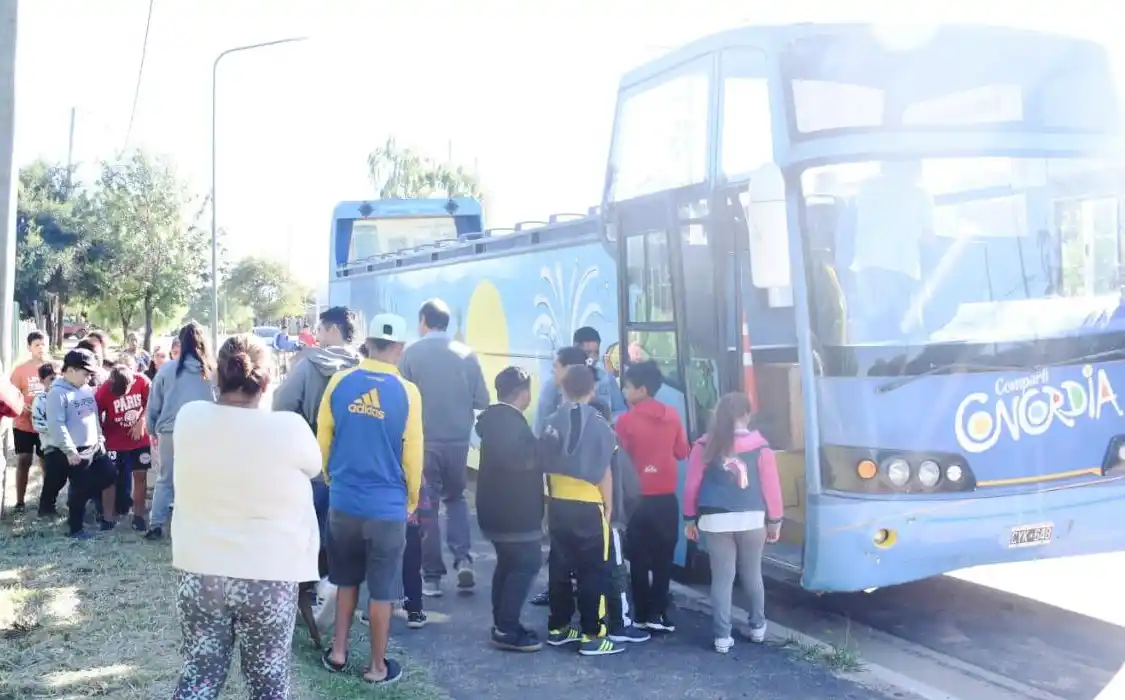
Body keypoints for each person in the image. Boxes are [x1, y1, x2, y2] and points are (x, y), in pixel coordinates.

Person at [169, 334, 321, 698]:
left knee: (199, 675)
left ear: (215, 377)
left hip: (200, 570)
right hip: (269, 574)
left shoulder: (190, 417)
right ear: (267, 382)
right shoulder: (290, 428)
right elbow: (314, 468)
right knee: (267, 683)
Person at [317, 313, 422, 685]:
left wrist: (333, 480)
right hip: (387, 507)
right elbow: (413, 454)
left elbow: (323, 440)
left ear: (368, 344)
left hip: (344, 501)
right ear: (400, 348)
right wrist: (410, 500)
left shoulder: (340, 382)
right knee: (383, 590)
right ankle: (377, 667)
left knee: (346, 580)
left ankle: (339, 653)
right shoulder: (408, 392)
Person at [272, 305, 361, 632]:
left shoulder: (309, 364)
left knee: (309, 524)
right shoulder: (362, 367)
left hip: (312, 454)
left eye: (321, 330)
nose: (318, 336)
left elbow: (282, 404)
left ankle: (305, 590)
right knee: (341, 526)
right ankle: (336, 588)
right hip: (351, 458)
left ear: (333, 330)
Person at [399, 298, 489, 596]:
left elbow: (401, 399)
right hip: (458, 441)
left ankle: (433, 577)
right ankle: (463, 559)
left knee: (428, 508)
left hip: (423, 442)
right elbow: (482, 400)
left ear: (424, 320)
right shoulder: (468, 355)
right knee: (456, 500)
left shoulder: (411, 353)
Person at [682, 392, 784, 654]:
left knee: (722, 579)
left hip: (715, 520)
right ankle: (758, 628)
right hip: (752, 518)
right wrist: (775, 521)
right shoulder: (761, 447)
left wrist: (689, 518)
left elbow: (692, 485)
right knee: (752, 575)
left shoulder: (705, 445)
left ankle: (722, 637)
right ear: (747, 415)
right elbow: (772, 488)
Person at [542, 365, 622, 656]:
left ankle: (558, 627)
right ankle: (593, 634)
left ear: (562, 388)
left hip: (558, 502)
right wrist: (609, 504)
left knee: (560, 567)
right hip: (589, 504)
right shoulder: (601, 424)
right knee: (593, 571)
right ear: (593, 390)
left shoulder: (551, 420)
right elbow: (605, 472)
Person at [616, 360, 690, 632]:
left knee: (637, 558)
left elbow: (620, 459)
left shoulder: (625, 421)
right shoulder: (672, 416)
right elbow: (683, 452)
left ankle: (642, 612)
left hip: (636, 500)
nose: (624, 390)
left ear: (642, 389)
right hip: (665, 499)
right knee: (663, 558)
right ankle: (659, 614)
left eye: (627, 386)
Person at [475, 366, 543, 652]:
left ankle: (503, 623)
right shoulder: (510, 423)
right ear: (524, 393)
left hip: (495, 509)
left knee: (508, 564)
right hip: (514, 511)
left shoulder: (495, 419)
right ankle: (506, 628)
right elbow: (518, 462)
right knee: (526, 563)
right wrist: (545, 448)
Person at [530, 345, 595, 608]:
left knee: (573, 543)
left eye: (556, 366)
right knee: (563, 542)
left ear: (570, 370)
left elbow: (540, 429)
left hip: (578, 487)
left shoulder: (598, 388)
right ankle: (558, 591)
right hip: (571, 484)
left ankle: (569, 597)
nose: (553, 372)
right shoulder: (552, 390)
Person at [145, 322, 217, 540]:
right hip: (201, 432)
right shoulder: (211, 371)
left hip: (170, 430)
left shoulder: (167, 369)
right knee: (200, 478)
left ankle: (156, 524)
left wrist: (151, 429)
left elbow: (154, 403)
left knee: (165, 478)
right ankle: (198, 522)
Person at [44, 348, 117, 538]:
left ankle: (85, 514)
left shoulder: (84, 389)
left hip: (94, 446)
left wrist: (100, 438)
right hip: (75, 450)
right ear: (71, 370)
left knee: (109, 474)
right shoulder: (57, 393)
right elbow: (56, 424)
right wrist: (69, 450)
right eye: (85, 374)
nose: (88, 378)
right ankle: (75, 528)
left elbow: (93, 416)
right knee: (79, 488)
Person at [536, 328, 626, 434]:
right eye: (588, 352)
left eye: (596, 353)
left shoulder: (606, 379)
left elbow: (621, 411)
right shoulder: (554, 383)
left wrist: (608, 424)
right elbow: (541, 423)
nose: (592, 358)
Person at [96, 364, 152, 531]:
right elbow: (95, 412)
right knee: (109, 478)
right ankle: (108, 518)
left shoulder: (142, 381)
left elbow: (153, 402)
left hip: (138, 439)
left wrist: (141, 421)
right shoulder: (104, 389)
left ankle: (138, 516)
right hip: (114, 440)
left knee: (140, 476)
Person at [9, 330, 49, 513]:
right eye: (37, 345)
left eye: (43, 344)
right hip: (24, 424)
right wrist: (23, 407)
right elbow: (11, 395)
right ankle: (19, 502)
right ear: (29, 348)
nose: (41, 348)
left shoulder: (53, 368)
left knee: (46, 462)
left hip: (46, 426)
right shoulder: (20, 370)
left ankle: (47, 501)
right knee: (24, 460)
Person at [31, 361, 62, 514]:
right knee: (53, 479)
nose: (55, 381)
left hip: (69, 445)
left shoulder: (66, 395)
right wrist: (57, 429)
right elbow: (37, 423)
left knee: (66, 478)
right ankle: (46, 508)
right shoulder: (40, 400)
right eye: (51, 378)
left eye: (58, 377)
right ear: (42, 381)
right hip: (51, 445)